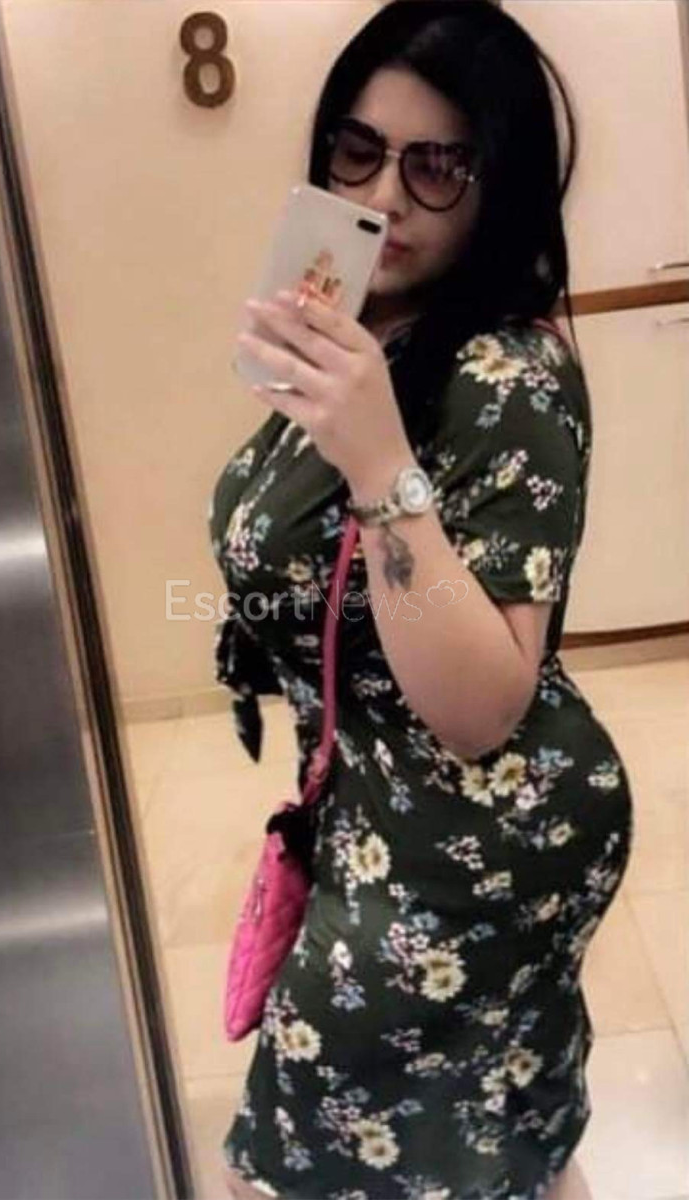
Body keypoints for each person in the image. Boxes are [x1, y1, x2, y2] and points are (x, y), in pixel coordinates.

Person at [208, 3, 633, 1197]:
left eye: (437, 165)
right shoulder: (373, 335)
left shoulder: (507, 374)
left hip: (477, 835)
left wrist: (380, 465)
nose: (386, 195)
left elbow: (480, 709)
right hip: (376, 803)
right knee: (486, 1134)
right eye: (359, 150)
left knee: (306, 1155)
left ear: (502, 184)